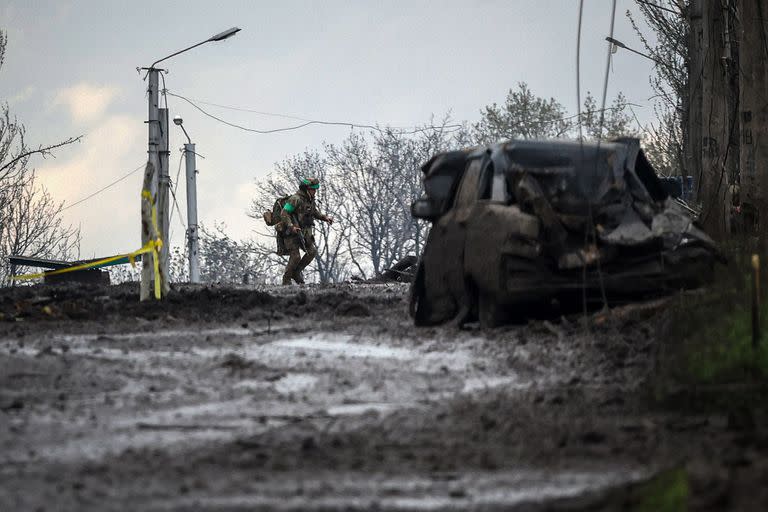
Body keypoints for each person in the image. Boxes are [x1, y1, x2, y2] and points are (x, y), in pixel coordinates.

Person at [279, 177, 334, 285]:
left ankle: (296, 273)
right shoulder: (295, 199)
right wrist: (291, 226)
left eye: (315, 189)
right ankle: (286, 280)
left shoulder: (310, 200)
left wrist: (325, 218)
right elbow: (284, 213)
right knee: (295, 257)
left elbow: (314, 212)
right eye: (312, 189)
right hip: (291, 233)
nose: (315, 192)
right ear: (306, 189)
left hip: (305, 232)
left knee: (312, 252)